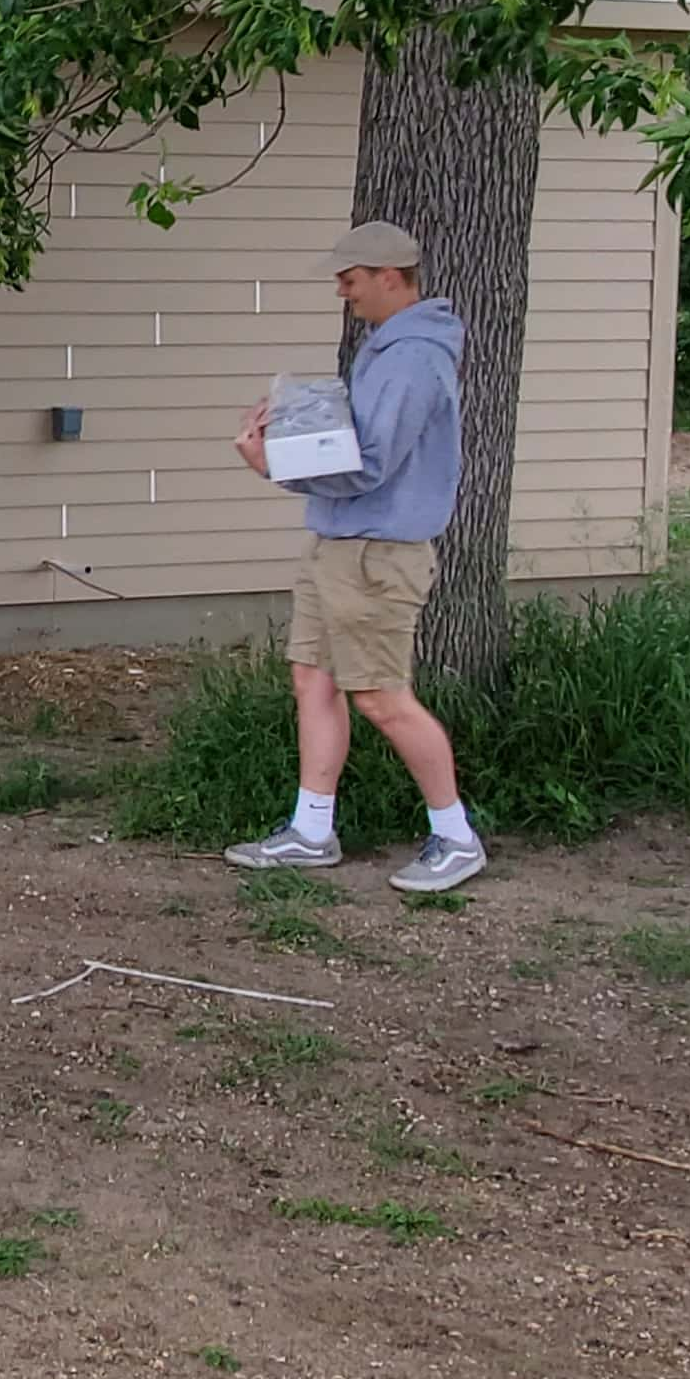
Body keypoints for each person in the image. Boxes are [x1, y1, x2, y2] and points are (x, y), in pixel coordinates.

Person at [226, 220, 486, 892]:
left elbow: (368, 463)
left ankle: (456, 837)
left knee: (381, 696)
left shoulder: (411, 358)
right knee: (313, 679)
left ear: (389, 277)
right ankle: (312, 830)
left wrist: (273, 464)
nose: (345, 294)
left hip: (377, 554)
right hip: (339, 543)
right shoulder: (387, 348)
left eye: (351, 280)